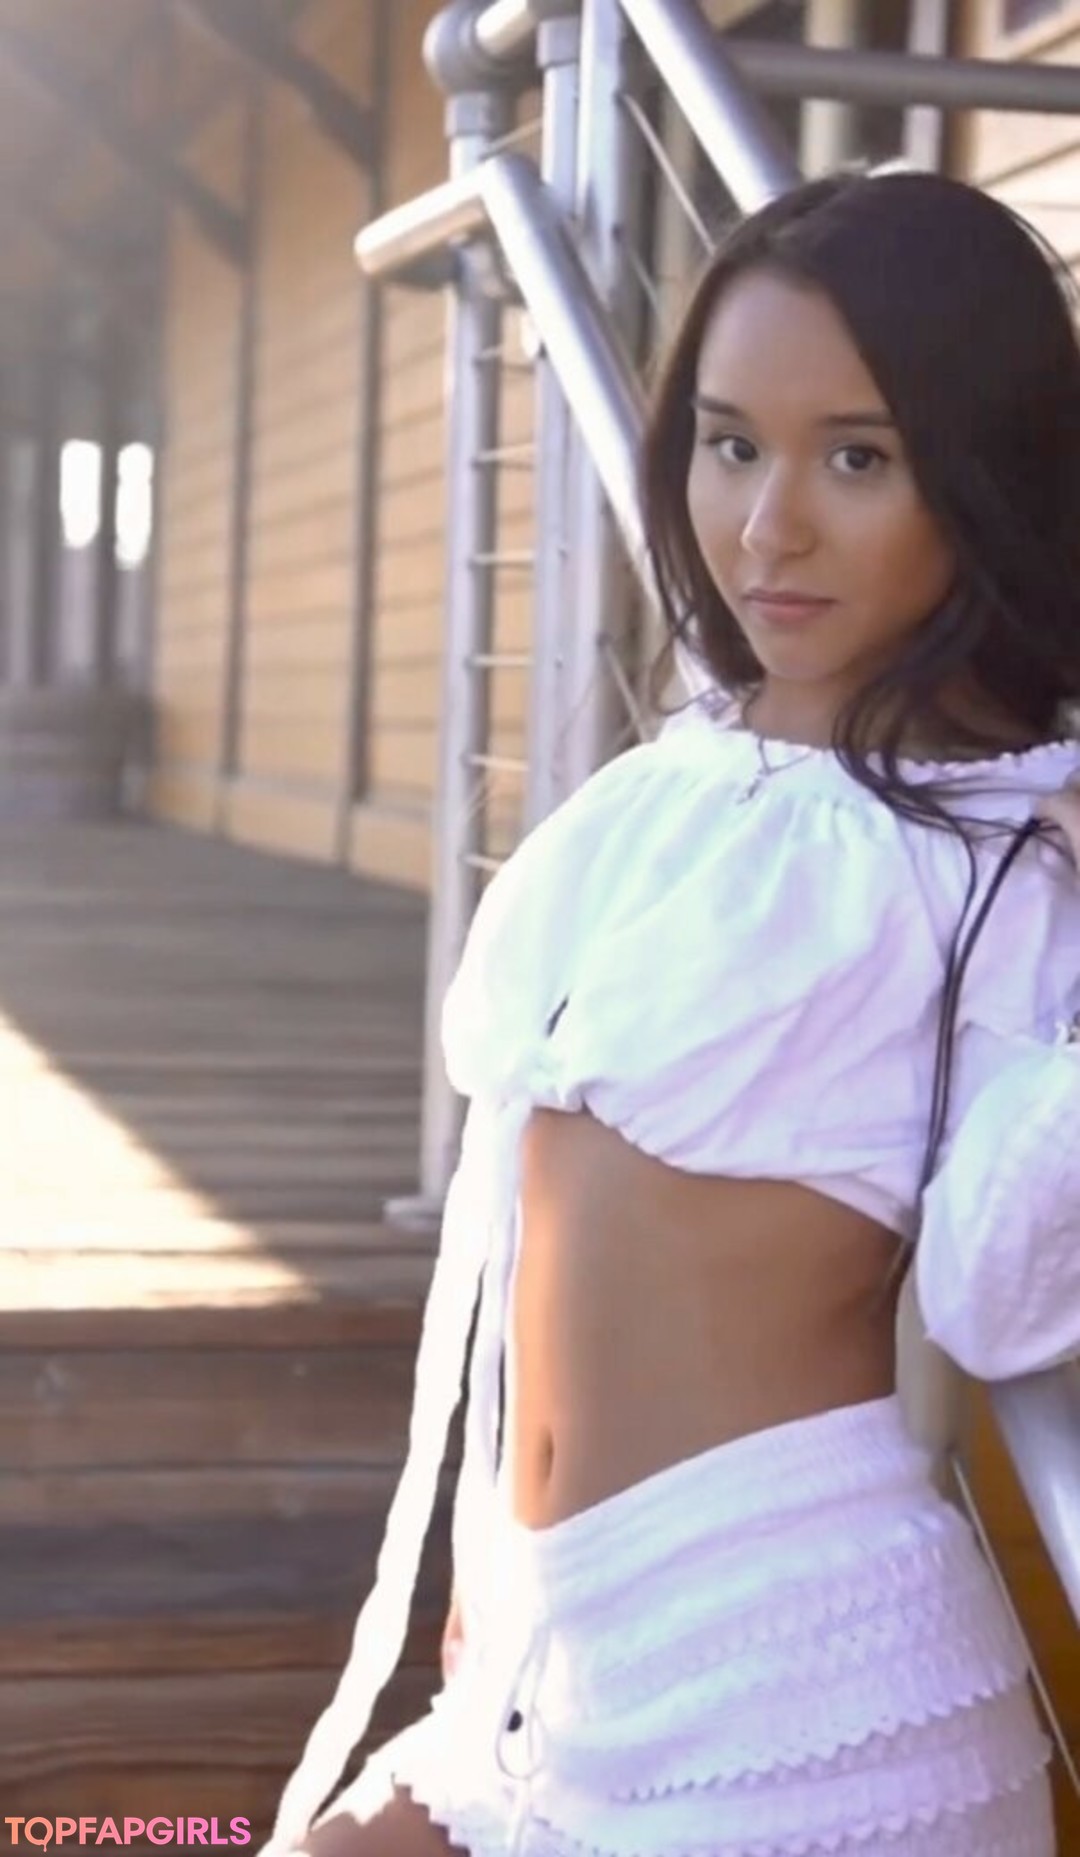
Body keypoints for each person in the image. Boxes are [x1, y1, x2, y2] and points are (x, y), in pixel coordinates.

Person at [269, 171, 1080, 1857]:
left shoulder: (1007, 846)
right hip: (546, 1663)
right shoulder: (680, 775)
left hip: (808, 1697)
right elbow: (540, 1200)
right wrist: (500, 1559)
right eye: (730, 443)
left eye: (857, 458)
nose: (767, 527)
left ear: (983, 472)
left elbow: (998, 1295)